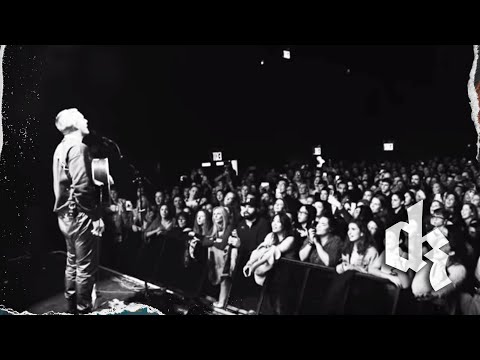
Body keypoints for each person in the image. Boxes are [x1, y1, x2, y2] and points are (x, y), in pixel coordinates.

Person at [52, 108, 105, 314]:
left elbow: (69, 181)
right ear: (74, 124)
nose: (86, 118)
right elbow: (82, 189)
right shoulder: (78, 148)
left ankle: (72, 308)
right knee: (85, 267)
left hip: (66, 215)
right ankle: (83, 310)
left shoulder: (61, 147)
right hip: (80, 215)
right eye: (82, 117)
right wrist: (95, 217)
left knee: (72, 263)